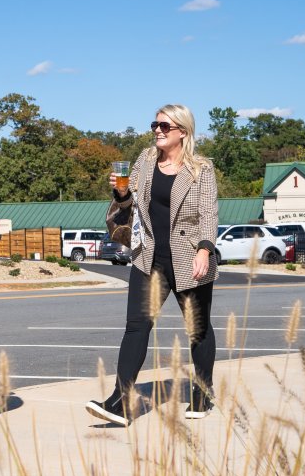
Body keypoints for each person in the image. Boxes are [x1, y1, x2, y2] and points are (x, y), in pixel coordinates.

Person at [86, 104, 220, 426]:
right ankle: (119, 402)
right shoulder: (145, 161)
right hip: (149, 258)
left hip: (189, 258)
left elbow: (208, 215)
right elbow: (128, 202)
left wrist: (204, 250)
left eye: (165, 126)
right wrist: (120, 194)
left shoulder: (202, 169)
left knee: (197, 329)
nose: (157, 130)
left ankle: (202, 391)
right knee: (136, 327)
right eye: (155, 125)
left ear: (183, 132)